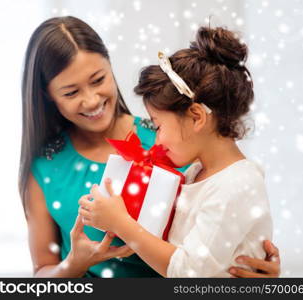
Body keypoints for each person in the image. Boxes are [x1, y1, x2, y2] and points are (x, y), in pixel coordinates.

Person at [19, 16, 280, 277]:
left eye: (98, 80)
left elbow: (210, 249)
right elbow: (42, 271)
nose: (90, 100)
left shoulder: (177, 144)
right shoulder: (45, 168)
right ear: (48, 96)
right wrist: (74, 263)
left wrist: (256, 266)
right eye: (71, 93)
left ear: (111, 67)